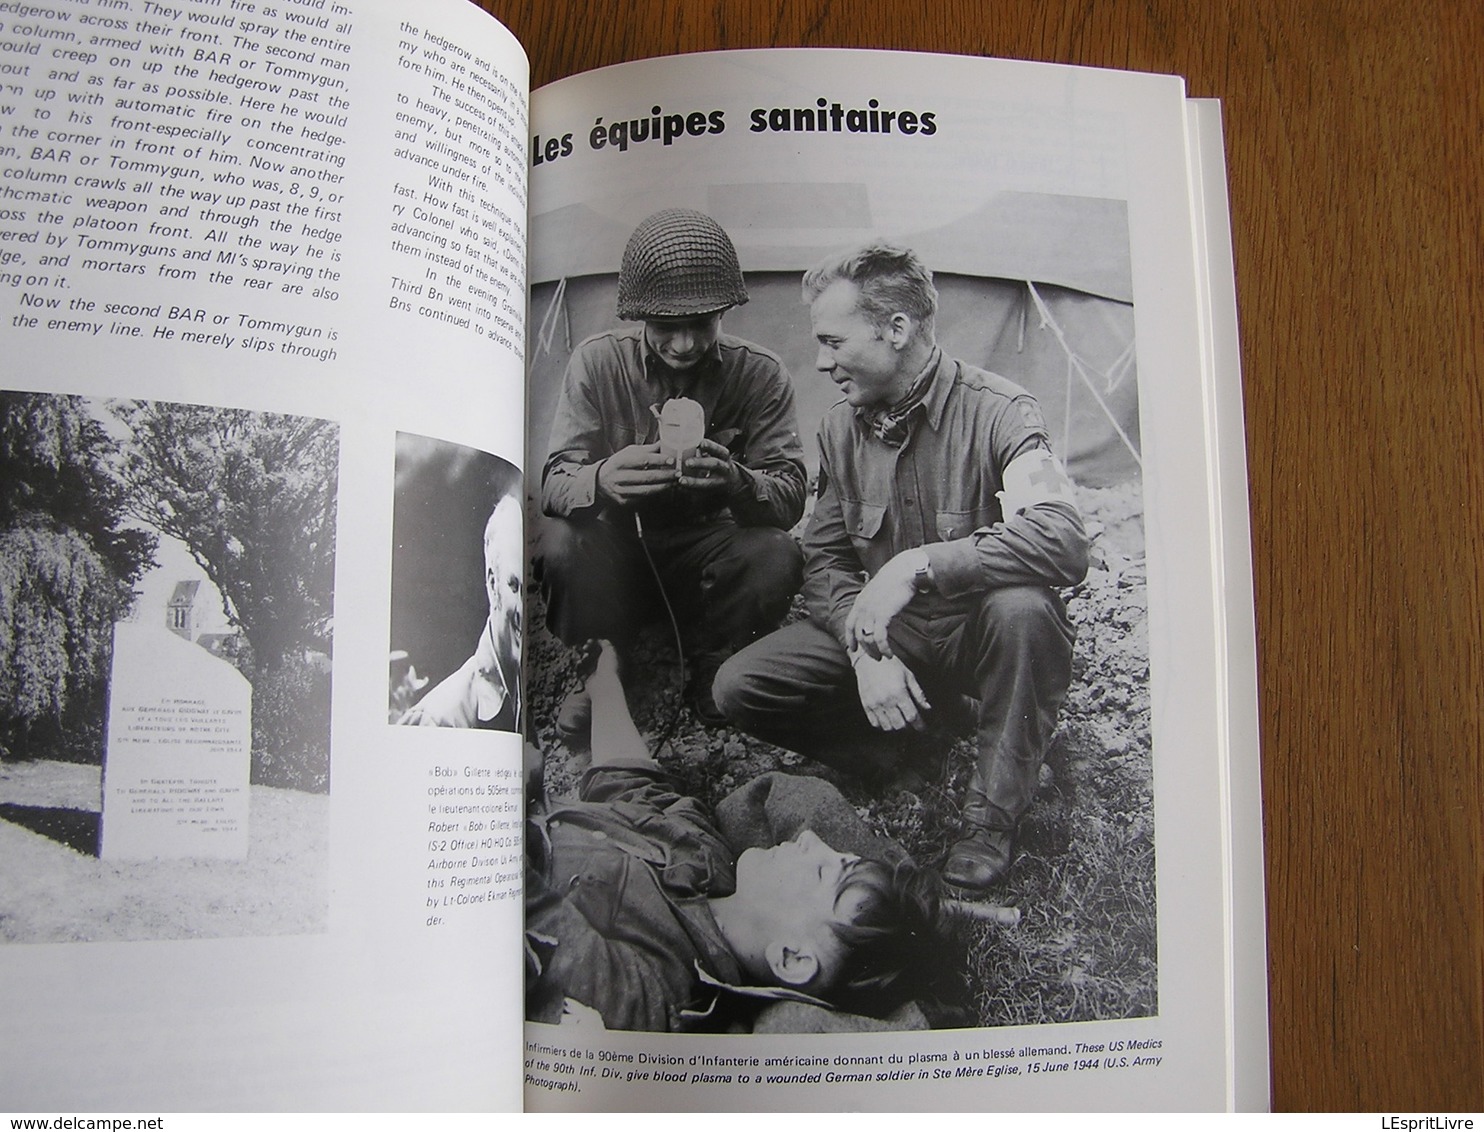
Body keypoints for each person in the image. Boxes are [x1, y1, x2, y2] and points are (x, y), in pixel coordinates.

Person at [713, 243, 1090, 891]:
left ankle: (990, 816)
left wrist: (919, 564)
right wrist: (865, 656)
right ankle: (897, 753)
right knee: (742, 685)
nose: (822, 361)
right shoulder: (839, 430)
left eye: (834, 341)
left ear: (897, 329)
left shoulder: (1001, 411)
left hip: (980, 636)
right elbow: (827, 559)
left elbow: (1063, 539)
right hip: (897, 640)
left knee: (1024, 608)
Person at [524, 642, 939, 1032]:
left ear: (792, 958)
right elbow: (630, 786)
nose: (811, 837)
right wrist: (605, 684)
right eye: (839, 854)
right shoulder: (707, 858)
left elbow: (528, 919)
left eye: (821, 872)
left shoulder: (659, 988)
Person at [536, 208, 806, 732]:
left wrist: (738, 481)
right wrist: (602, 479)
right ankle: (602, 661)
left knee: (776, 556)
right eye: (666, 328)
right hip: (617, 555)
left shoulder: (761, 374)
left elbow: (790, 493)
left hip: (708, 557)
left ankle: (718, 657)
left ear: (724, 313)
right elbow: (553, 480)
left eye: (701, 325)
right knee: (558, 544)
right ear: (638, 317)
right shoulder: (597, 364)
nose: (684, 345)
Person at [399, 495, 522, 731]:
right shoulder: (438, 719)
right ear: (493, 584)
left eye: (527, 589)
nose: (522, 608)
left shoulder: (524, 683)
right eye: (513, 586)